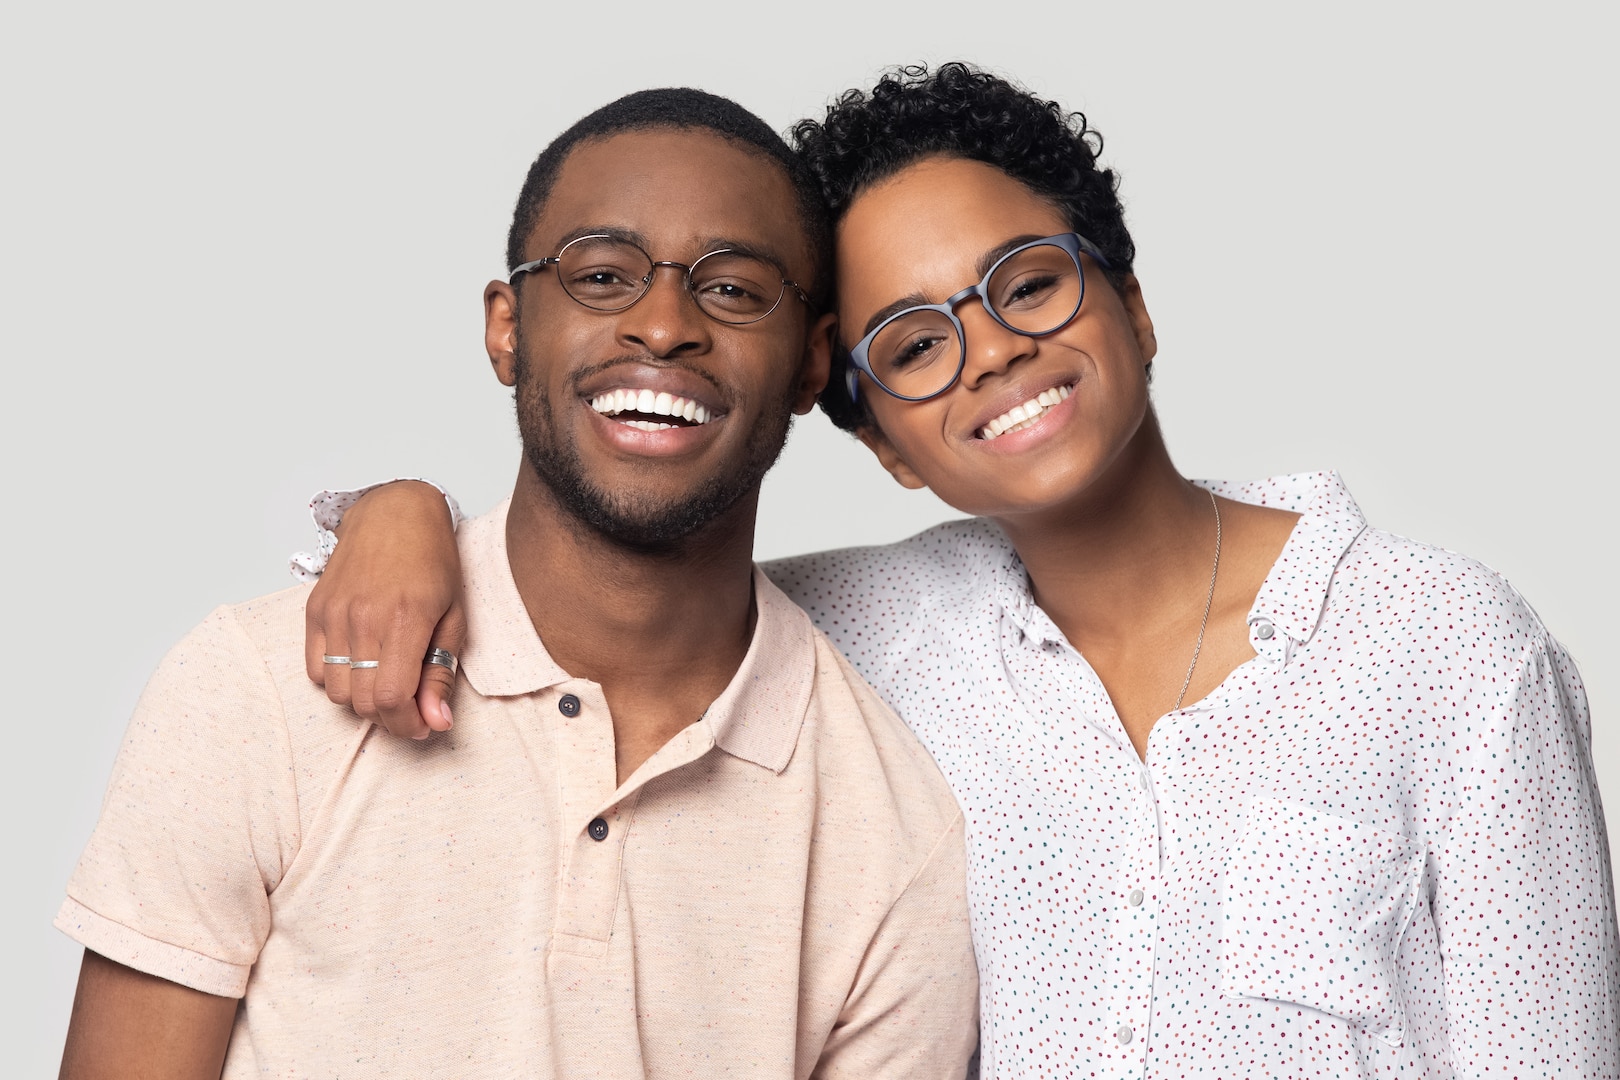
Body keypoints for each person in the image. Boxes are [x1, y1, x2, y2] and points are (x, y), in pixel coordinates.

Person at [310, 64, 1620, 1077]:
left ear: (1134, 308)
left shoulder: (1445, 646)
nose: (989, 350)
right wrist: (398, 511)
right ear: (886, 446)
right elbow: (604, 592)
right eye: (916, 344)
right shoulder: (867, 638)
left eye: (1028, 284)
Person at [54, 88, 978, 1080]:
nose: (662, 325)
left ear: (809, 365)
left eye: (734, 289)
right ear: (507, 329)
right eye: (602, 275)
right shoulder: (259, 692)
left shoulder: (893, 833)